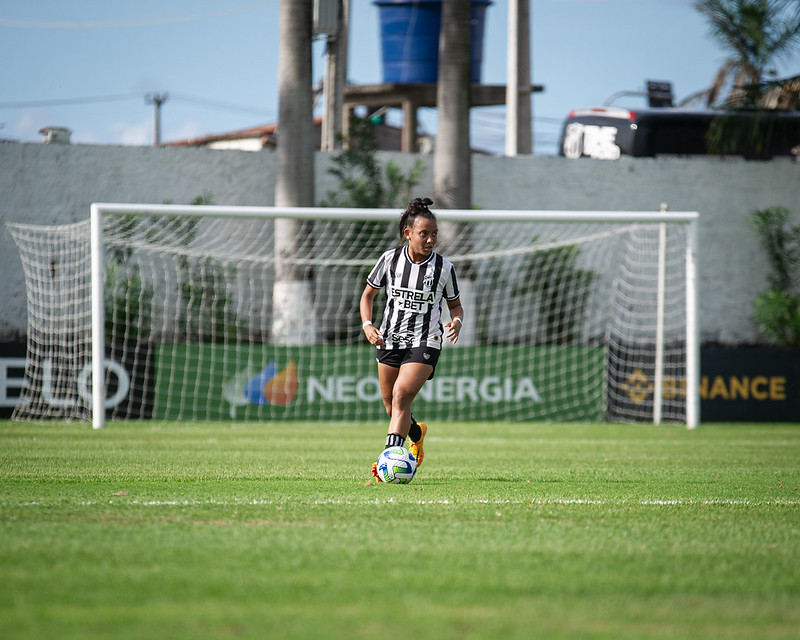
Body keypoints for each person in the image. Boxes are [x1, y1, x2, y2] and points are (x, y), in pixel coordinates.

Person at [359, 197, 464, 481]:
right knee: (390, 405)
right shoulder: (389, 260)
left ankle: (388, 460)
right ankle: (416, 434)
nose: (431, 240)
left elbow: (455, 305)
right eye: (424, 234)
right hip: (389, 339)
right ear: (408, 233)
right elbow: (367, 295)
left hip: (426, 340)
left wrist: (457, 321)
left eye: (434, 234)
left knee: (401, 395)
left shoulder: (444, 268)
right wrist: (368, 325)